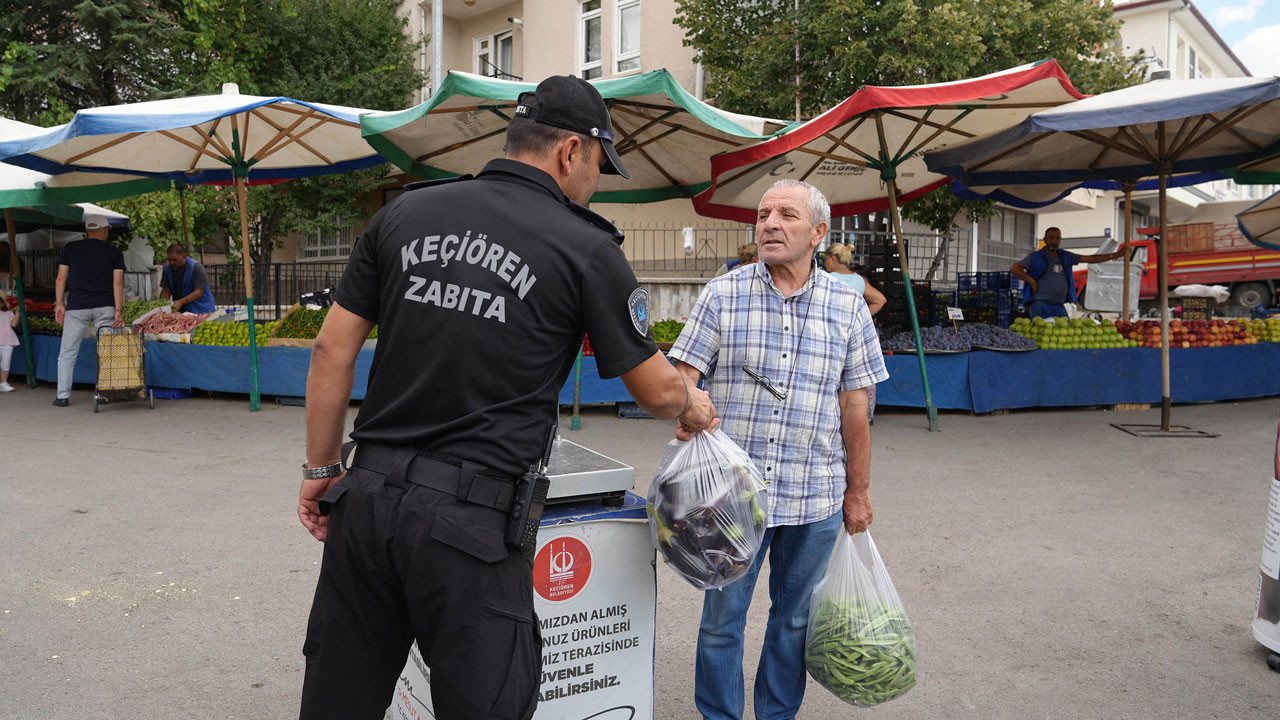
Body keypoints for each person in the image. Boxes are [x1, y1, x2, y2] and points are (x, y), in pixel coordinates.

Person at [297, 75, 716, 720]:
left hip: (366, 502)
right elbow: (657, 391)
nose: (596, 180)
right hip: (471, 526)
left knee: (338, 703)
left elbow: (331, 351)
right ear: (571, 152)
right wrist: (694, 404)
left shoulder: (403, 214)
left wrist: (323, 472)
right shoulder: (585, 245)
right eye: (600, 162)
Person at [668, 178, 889, 720]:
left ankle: (775, 714)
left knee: (793, 619)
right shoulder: (725, 293)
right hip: (731, 501)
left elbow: (856, 405)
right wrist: (688, 402)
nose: (769, 223)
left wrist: (858, 491)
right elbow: (683, 376)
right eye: (764, 214)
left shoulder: (848, 303)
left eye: (787, 215)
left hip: (814, 493)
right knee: (723, 619)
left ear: (818, 232)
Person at [53, 214, 124, 407]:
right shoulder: (114, 252)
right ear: (105, 230)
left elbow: (61, 278)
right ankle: (104, 393)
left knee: (68, 351)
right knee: (106, 350)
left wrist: (59, 304)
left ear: (87, 230)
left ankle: (62, 396)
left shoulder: (71, 249)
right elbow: (118, 285)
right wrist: (119, 310)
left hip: (77, 307)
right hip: (105, 306)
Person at [1011, 226, 1123, 318]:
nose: (1054, 241)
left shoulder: (1065, 256)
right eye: (1051, 238)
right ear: (1045, 240)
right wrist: (1031, 281)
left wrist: (1115, 255)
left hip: (1059, 305)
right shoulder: (1036, 257)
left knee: (1063, 337)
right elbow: (1015, 268)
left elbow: (1092, 259)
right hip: (1040, 305)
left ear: (1060, 240)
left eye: (1057, 238)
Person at [823, 244, 887, 315]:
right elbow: (880, 300)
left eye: (826, 259)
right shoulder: (859, 280)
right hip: (852, 325)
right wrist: (862, 319)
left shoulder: (827, 278)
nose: (825, 264)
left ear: (833, 259)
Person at [158, 243, 216, 313]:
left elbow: (199, 292)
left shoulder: (196, 267)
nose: (171, 263)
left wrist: (180, 302)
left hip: (202, 310)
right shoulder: (167, 269)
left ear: (184, 256)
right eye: (169, 260)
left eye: (175, 260)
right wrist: (162, 307)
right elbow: (166, 290)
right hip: (183, 311)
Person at [0, 294, 18, 392]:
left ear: (2, 303)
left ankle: (3, 382)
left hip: (8, 341)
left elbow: (14, 324)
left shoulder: (9, 313)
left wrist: (18, 314)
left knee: (5, 363)